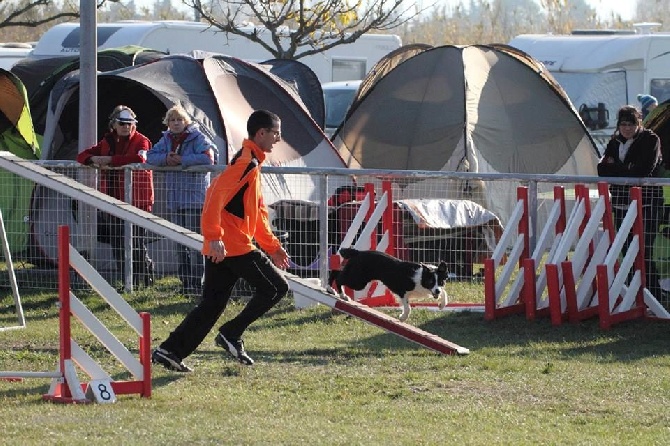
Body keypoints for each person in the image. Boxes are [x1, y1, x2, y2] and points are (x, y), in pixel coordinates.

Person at [152, 110, 290, 371]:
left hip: (226, 246)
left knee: (212, 304)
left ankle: (169, 351)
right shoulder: (246, 163)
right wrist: (213, 236)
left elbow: (257, 213)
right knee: (276, 288)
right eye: (275, 133)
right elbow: (214, 195)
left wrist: (272, 246)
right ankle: (231, 333)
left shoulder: (253, 163)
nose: (278, 139)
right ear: (261, 133)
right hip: (233, 246)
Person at [76, 105, 155, 287]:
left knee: (136, 242)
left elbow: (140, 158)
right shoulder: (107, 142)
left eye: (130, 123)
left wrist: (111, 160)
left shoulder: (142, 141)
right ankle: (126, 281)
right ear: (114, 124)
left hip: (138, 201)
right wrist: (92, 159)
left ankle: (144, 278)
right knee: (118, 242)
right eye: (122, 123)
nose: (127, 127)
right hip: (113, 200)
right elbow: (82, 155)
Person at [147, 105, 217, 297]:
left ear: (186, 122)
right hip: (175, 199)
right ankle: (186, 284)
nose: (176, 123)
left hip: (195, 199)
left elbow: (208, 159)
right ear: (168, 123)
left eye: (179, 120)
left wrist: (182, 160)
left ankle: (199, 283)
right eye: (172, 120)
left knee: (196, 244)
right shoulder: (166, 139)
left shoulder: (199, 138)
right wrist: (166, 158)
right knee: (180, 244)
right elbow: (150, 156)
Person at [597, 105, 663, 297]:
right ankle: (632, 292)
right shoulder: (614, 141)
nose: (627, 127)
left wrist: (616, 168)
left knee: (643, 250)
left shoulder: (651, 139)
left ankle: (653, 295)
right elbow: (602, 170)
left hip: (647, 203)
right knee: (626, 250)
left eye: (631, 123)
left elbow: (644, 171)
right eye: (623, 124)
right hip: (620, 203)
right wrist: (626, 168)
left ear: (638, 123)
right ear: (618, 125)